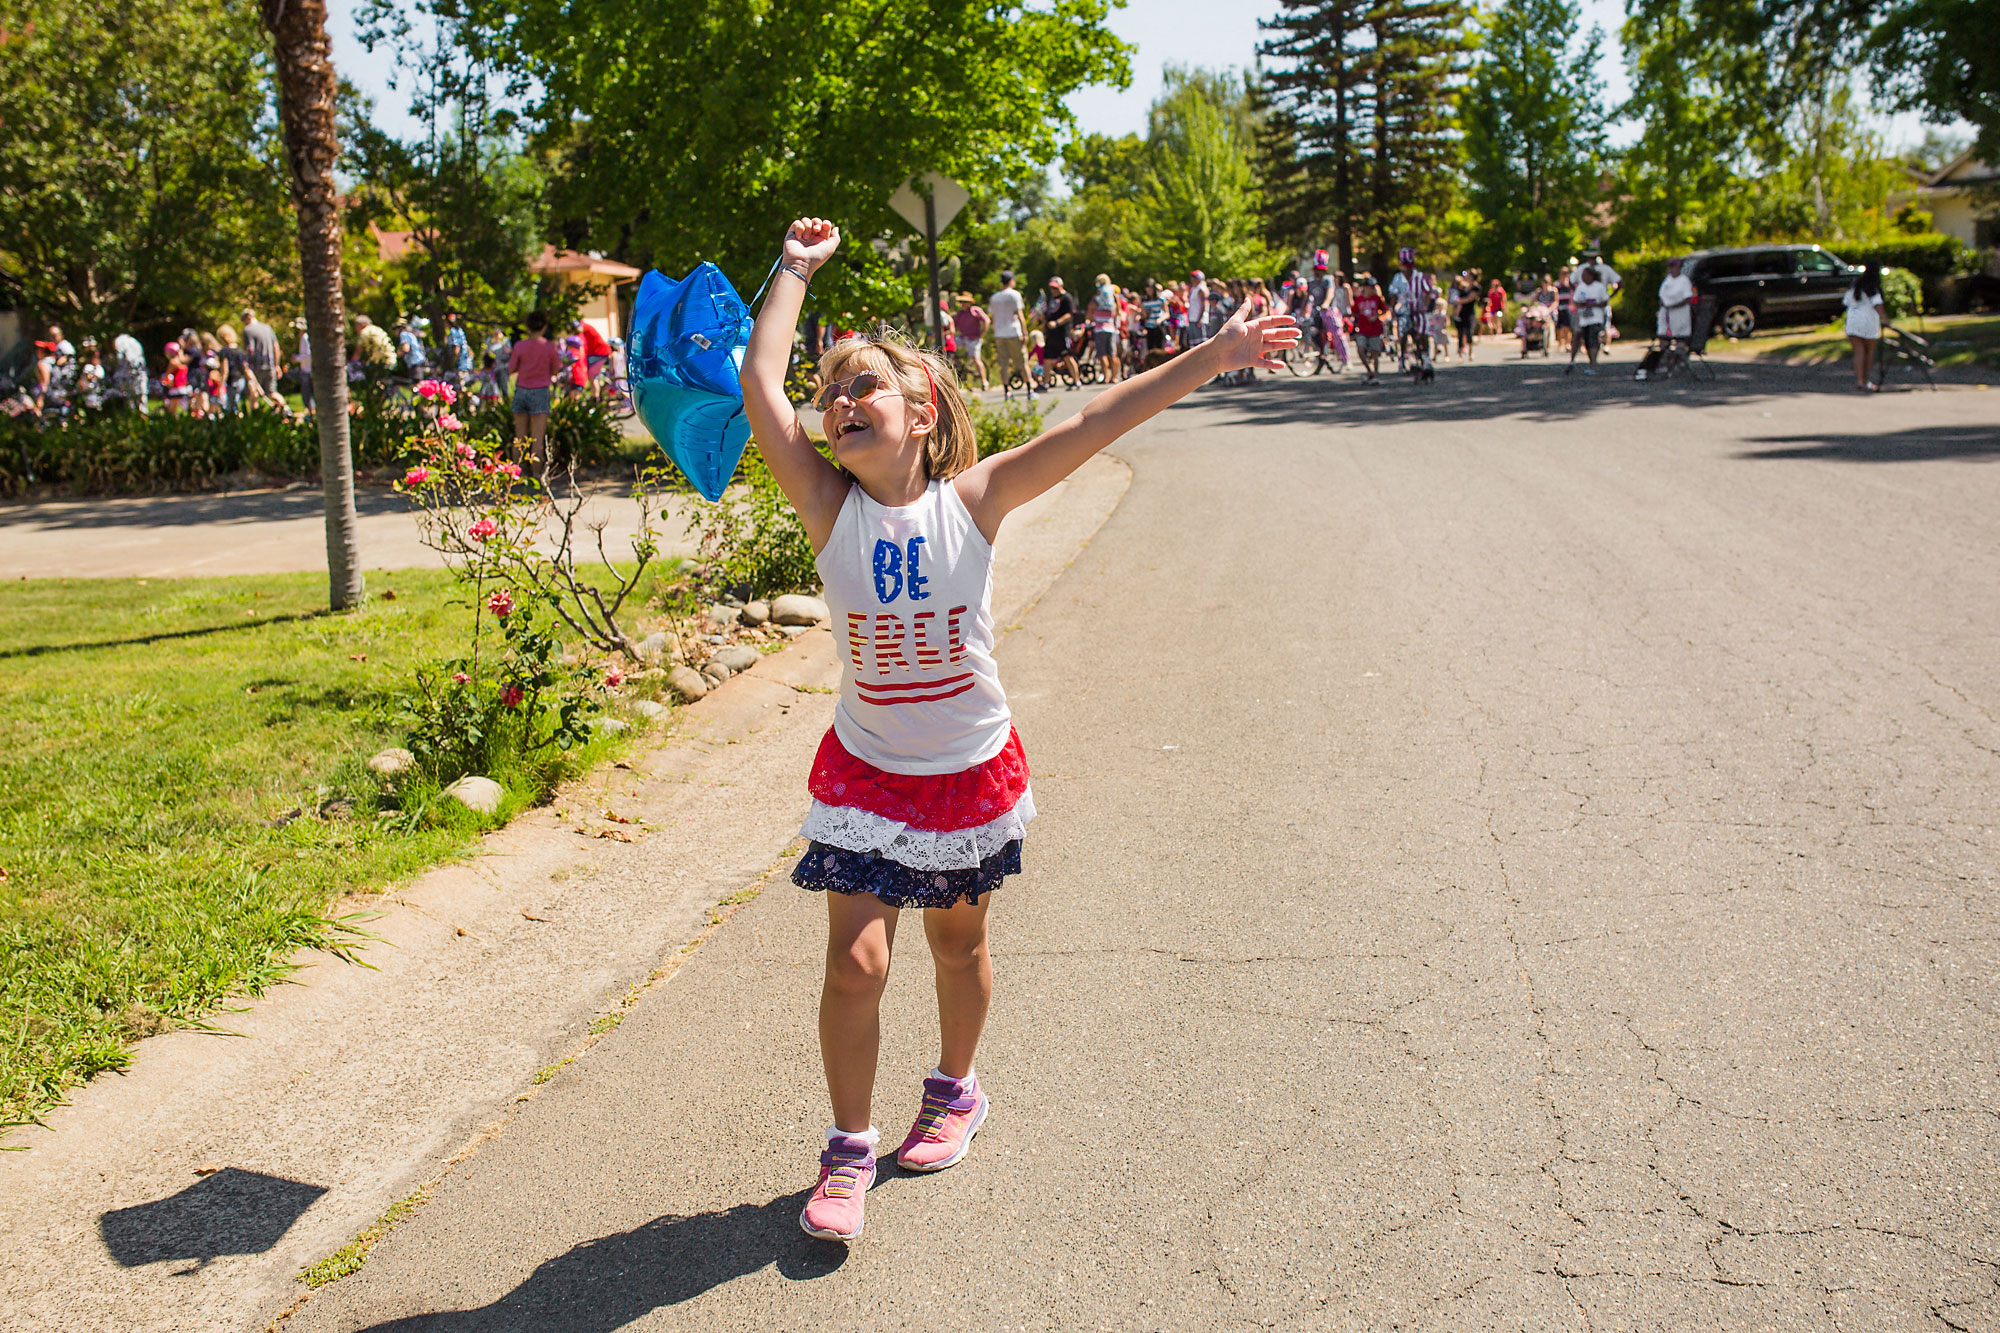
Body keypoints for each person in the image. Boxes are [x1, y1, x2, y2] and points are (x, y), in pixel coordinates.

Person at [738, 215, 1299, 1246]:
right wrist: (791, 272)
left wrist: (1213, 355)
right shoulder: (826, 505)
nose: (837, 401)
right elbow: (759, 382)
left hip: (965, 773)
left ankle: (955, 1089)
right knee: (855, 962)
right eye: (829, 395)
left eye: (862, 385)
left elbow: (1091, 426)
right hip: (865, 772)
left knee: (959, 944)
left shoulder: (975, 498)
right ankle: (847, 1148)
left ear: (920, 410)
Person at [507, 310, 565, 469]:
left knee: (519, 437)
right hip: (540, 391)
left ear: (527, 327)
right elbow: (556, 369)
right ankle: (537, 475)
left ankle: (517, 474)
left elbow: (511, 368)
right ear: (544, 326)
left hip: (521, 390)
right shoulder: (549, 347)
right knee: (537, 438)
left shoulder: (520, 346)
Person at [1388, 249, 1436, 370]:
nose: (1407, 269)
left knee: (1422, 332)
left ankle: (1426, 357)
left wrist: (1425, 305)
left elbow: (1428, 290)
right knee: (1402, 334)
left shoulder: (1420, 277)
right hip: (1403, 311)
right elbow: (1393, 294)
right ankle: (1402, 357)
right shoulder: (1398, 278)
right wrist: (1393, 309)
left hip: (1418, 310)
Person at [1843, 262, 1885, 391]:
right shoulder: (1874, 286)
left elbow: (1846, 301)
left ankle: (1860, 380)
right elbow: (1877, 305)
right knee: (1869, 352)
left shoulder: (1855, 285)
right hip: (1869, 321)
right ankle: (1866, 379)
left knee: (1858, 352)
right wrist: (1886, 320)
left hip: (1853, 319)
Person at [988, 271, 1026, 400]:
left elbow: (992, 317)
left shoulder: (994, 298)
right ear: (1011, 280)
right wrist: (1025, 333)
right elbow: (1020, 314)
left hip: (1000, 333)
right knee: (1021, 361)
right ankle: (1030, 388)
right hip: (1013, 331)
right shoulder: (1015, 295)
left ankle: (1006, 391)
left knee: (1003, 364)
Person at [1035, 276, 1079, 387]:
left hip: (1062, 333)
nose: (1053, 291)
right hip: (1051, 334)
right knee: (1047, 358)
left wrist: (1057, 322)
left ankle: (1076, 380)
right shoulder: (1051, 299)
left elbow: (1069, 315)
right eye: (1052, 288)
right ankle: (1046, 383)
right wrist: (1042, 318)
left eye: (1055, 288)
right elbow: (1047, 314)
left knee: (1067, 356)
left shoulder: (1066, 298)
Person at [1568, 264, 1611, 374]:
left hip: (1595, 317)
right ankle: (1589, 361)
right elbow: (1576, 300)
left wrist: (1594, 304)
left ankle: (1593, 363)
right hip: (1583, 318)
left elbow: (1605, 301)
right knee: (1586, 340)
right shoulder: (1581, 287)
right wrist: (1583, 304)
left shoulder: (1599, 287)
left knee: (1593, 339)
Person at [1350, 273, 1388, 384]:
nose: (1371, 290)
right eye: (1370, 287)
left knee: (1375, 352)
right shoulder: (1359, 299)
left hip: (1375, 328)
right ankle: (1369, 370)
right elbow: (1354, 312)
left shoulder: (1377, 299)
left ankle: (1375, 374)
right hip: (1362, 328)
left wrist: (1376, 316)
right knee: (1360, 349)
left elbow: (1384, 309)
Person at [1086, 274, 1121, 385]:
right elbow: (1118, 312)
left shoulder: (1097, 297)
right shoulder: (1113, 296)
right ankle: (1114, 377)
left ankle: (1106, 376)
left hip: (1099, 328)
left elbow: (1090, 312)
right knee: (1113, 354)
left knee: (1102, 354)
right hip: (1111, 328)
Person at [951, 294, 990, 390]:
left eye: (964, 302)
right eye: (961, 302)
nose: (962, 304)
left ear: (969, 303)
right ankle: (958, 366)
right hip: (963, 338)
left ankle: (984, 381)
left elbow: (987, 320)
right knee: (950, 347)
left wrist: (983, 333)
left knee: (976, 359)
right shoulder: (960, 314)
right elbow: (952, 324)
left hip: (973, 338)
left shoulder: (975, 310)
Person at [1656, 257, 1696, 348]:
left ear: (1679, 268)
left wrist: (1673, 306)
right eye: (1670, 267)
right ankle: (1664, 357)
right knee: (1663, 336)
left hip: (1680, 315)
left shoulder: (1684, 280)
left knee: (1680, 338)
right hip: (1666, 314)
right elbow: (1662, 295)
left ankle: (1679, 358)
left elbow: (1688, 298)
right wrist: (1662, 303)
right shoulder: (1667, 280)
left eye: (1673, 267)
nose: (1671, 269)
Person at [241, 308, 281, 398]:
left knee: (253, 392)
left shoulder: (248, 330)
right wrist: (277, 365)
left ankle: (254, 411)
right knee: (272, 392)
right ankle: (286, 409)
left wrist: (246, 364)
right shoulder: (267, 327)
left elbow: (250, 350)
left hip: (256, 366)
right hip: (270, 365)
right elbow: (276, 348)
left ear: (246, 318)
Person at [111, 330, 149, 413]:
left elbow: (125, 359)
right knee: (141, 395)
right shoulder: (134, 342)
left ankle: (134, 414)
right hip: (140, 372)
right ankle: (143, 414)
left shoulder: (121, 343)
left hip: (130, 374)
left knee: (131, 397)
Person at [1450, 272, 1479, 362]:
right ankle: (1460, 354)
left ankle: (1470, 352)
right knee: (1460, 333)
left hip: (1469, 312)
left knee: (1469, 332)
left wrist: (1458, 301)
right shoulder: (1462, 286)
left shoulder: (1475, 287)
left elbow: (1470, 298)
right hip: (1461, 313)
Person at [293, 317, 315, 413]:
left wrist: (296, 358)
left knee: (307, 394)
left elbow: (308, 354)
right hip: (308, 369)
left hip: (307, 370)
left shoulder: (305, 338)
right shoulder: (307, 337)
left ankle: (311, 413)